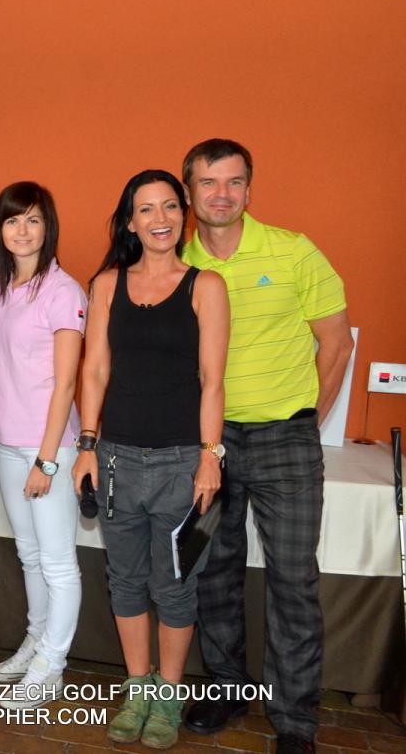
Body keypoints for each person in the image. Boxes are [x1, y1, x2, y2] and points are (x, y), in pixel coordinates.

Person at [179, 140, 352, 754]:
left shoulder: (294, 251)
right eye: (208, 182)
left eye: (233, 182)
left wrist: (307, 421)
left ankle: (296, 721)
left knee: (293, 581)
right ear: (189, 192)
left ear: (249, 190)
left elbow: (336, 343)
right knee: (212, 571)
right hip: (210, 446)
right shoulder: (176, 262)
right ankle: (226, 688)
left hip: (286, 442)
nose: (221, 194)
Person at [72, 169, 229, 749]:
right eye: (146, 209)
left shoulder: (206, 286)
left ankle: (169, 693)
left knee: (175, 586)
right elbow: (93, 370)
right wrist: (87, 446)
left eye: (169, 207)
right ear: (130, 221)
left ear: (182, 215)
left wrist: (210, 456)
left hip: (182, 462)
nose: (159, 219)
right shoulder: (107, 284)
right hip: (115, 460)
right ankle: (137, 687)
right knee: (126, 582)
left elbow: (213, 381)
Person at [0, 182, 85, 707]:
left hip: (50, 448)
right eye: (12, 220)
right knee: (29, 555)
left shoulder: (63, 291)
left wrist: (46, 460)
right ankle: (36, 642)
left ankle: (53, 664)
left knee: (58, 560)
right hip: (8, 443)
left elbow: (66, 384)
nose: (22, 230)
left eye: (33, 219)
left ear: (49, 227)